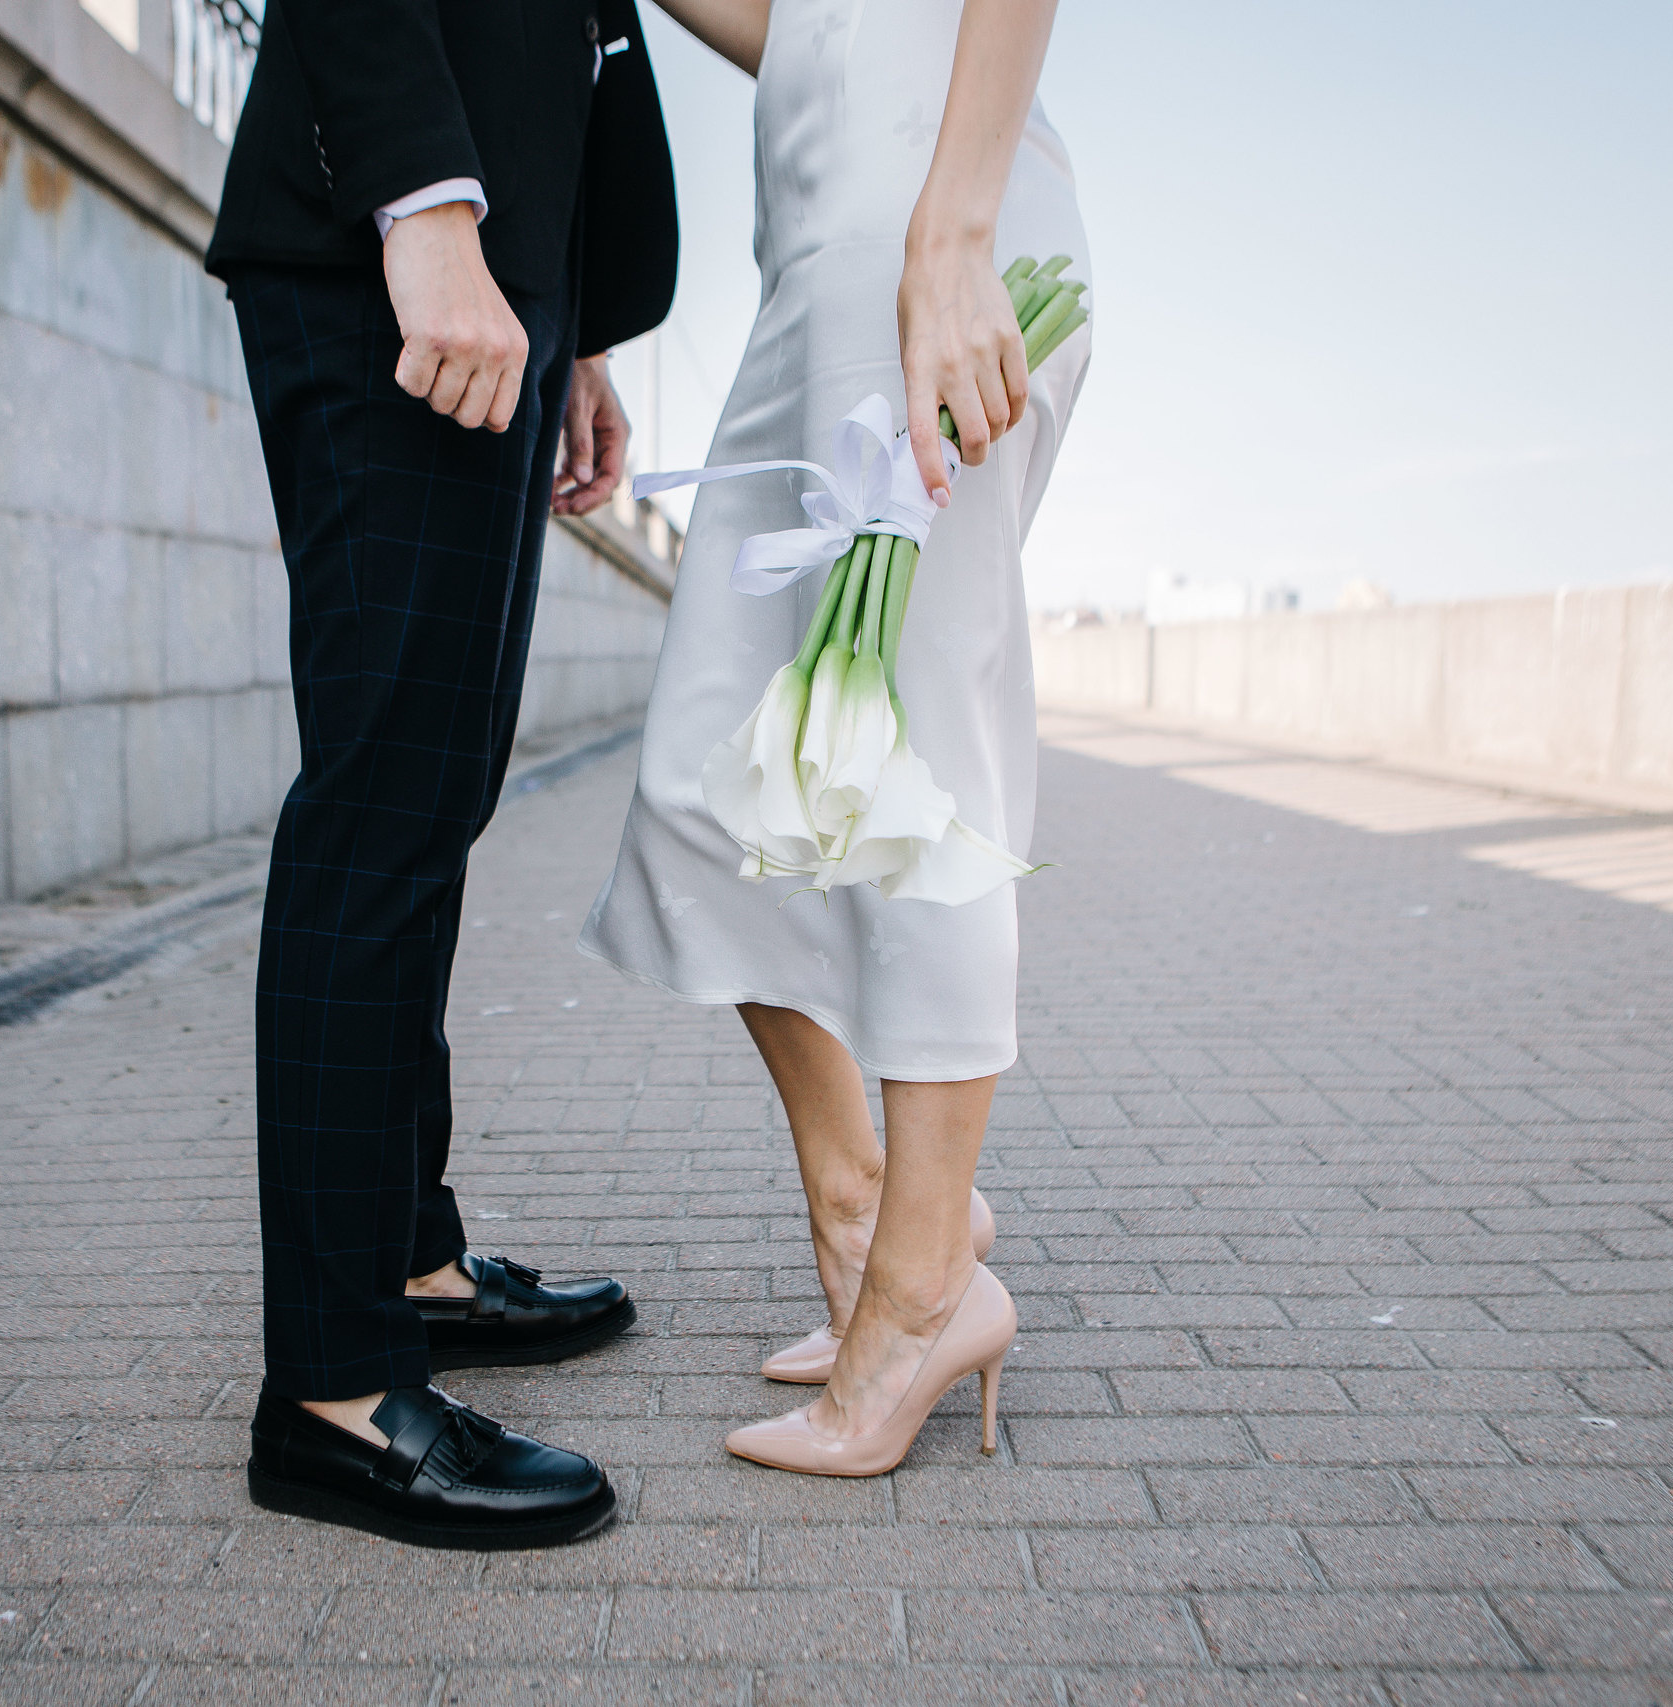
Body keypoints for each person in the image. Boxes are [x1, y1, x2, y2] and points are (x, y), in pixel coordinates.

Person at [582, 0, 1088, 1474]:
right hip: (820, 256)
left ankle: (920, 1289)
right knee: (704, 789)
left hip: (924, 233)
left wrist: (954, 234)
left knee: (908, 784)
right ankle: (868, 1210)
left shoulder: (940, 233)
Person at [203, 1, 677, 1545]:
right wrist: (423, 200)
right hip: (396, 238)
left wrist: (583, 328)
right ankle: (338, 1392)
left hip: (497, 255)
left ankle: (406, 1257)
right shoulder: (416, 218)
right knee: (382, 801)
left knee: (437, 788)